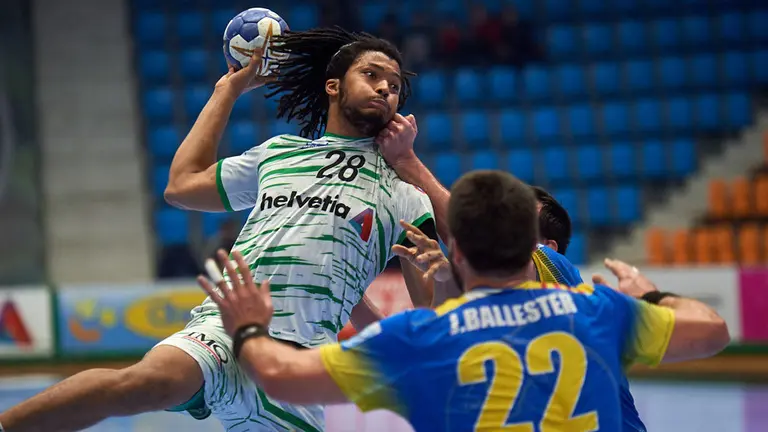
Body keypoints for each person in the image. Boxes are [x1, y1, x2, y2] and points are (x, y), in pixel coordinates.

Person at [0, 28, 438, 432]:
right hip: (224, 331)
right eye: (372, 74)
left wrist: (381, 342)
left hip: (299, 366)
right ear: (333, 86)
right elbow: (181, 186)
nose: (385, 87)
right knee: (148, 382)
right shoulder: (279, 154)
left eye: (395, 85)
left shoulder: (405, 195)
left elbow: (429, 311)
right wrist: (226, 91)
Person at [197, 170, 730, 432]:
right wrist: (651, 294)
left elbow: (280, 376)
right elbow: (711, 330)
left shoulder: (421, 339)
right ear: (536, 247)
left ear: (456, 248)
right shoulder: (599, 310)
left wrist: (247, 326)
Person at [375, 116, 655, 431]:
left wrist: (406, 160)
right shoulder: (489, 310)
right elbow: (430, 322)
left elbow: (472, 234)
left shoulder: (558, 270)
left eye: (518, 223)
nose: (502, 230)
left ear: (546, 246)